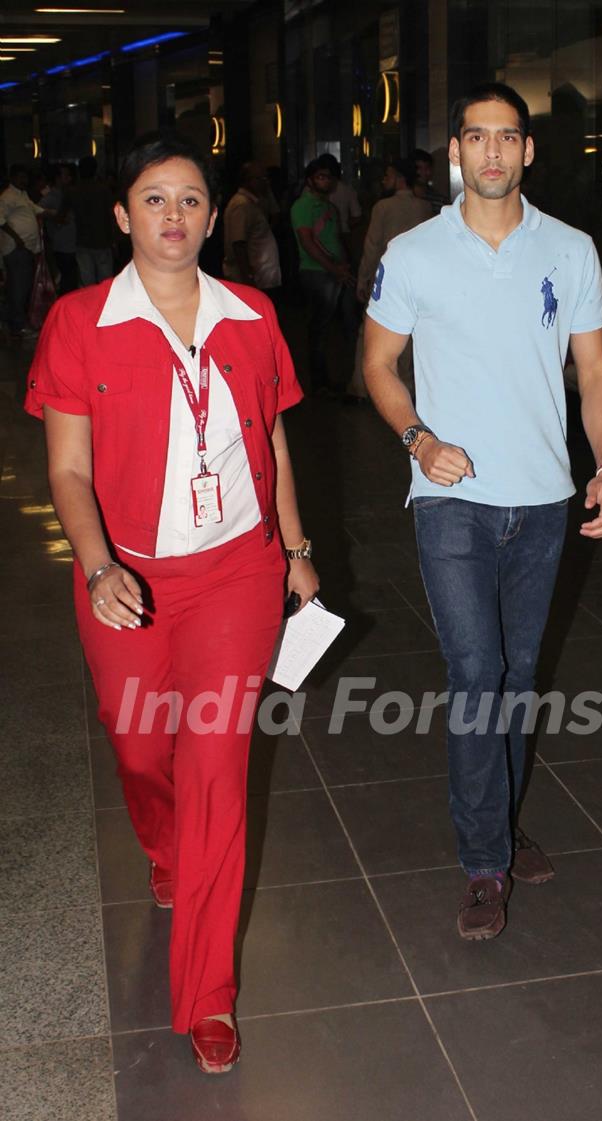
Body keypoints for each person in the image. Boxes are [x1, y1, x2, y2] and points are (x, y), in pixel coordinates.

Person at [25, 132, 318, 1073]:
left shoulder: (252, 316)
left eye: (190, 198)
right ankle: (160, 839)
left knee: (217, 770)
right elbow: (67, 466)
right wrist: (100, 564)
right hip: (130, 580)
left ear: (213, 212)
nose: (175, 216)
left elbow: (270, 442)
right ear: (122, 215)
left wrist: (297, 550)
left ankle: (207, 995)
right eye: (155, 199)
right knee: (139, 741)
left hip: (237, 573)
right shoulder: (79, 322)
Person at [364, 83, 602, 942]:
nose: (494, 153)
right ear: (456, 152)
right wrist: (418, 439)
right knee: (477, 675)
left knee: (515, 676)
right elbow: (377, 366)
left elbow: (592, 373)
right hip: (450, 502)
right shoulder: (414, 251)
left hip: (543, 500)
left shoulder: (572, 250)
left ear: (528, 151)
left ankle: (500, 827)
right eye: (478, 137)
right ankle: (483, 861)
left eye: (508, 137)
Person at [349, 157, 432, 401]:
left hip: (385, 280)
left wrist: (363, 279)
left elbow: (373, 246)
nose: (384, 180)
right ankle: (405, 385)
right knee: (409, 337)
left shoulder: (382, 207)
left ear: (398, 177)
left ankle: (364, 388)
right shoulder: (423, 207)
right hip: (417, 280)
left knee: (370, 335)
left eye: (388, 175)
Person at [290, 158, 354, 395]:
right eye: (321, 177)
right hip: (317, 273)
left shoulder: (328, 207)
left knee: (328, 328)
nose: (326, 181)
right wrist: (334, 267)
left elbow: (333, 239)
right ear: (310, 180)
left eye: (329, 177)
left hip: (332, 271)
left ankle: (327, 379)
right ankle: (319, 382)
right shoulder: (304, 206)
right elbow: (307, 242)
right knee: (319, 329)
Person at [222, 160, 281, 297]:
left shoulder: (255, 202)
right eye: (261, 178)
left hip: (260, 275)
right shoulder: (242, 205)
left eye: (267, 178)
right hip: (250, 279)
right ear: (248, 181)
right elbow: (238, 243)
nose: (266, 182)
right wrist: (247, 277)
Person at [0, 164, 45, 339]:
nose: (23, 180)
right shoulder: (7, 196)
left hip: (26, 248)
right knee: (18, 287)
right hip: (16, 248)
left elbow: (35, 209)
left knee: (21, 286)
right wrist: (17, 238)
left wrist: (50, 213)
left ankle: (15, 321)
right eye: (20, 177)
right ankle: (17, 325)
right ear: (12, 178)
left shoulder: (22, 195)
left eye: (25, 177)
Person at [67, 155, 115, 286]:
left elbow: (64, 215)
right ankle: (105, 306)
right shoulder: (103, 190)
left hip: (82, 240)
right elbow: (112, 215)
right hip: (102, 240)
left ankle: (89, 306)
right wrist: (113, 238)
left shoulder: (73, 191)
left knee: (86, 281)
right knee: (106, 282)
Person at [41, 164, 79, 296]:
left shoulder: (70, 193)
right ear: (57, 178)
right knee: (67, 280)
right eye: (65, 176)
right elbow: (38, 211)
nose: (68, 178)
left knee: (71, 279)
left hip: (72, 243)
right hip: (61, 244)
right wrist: (55, 215)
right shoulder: (51, 197)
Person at [409, 147, 448, 215]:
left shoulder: (440, 200)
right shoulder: (403, 199)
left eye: (427, 168)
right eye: (419, 168)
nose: (424, 173)